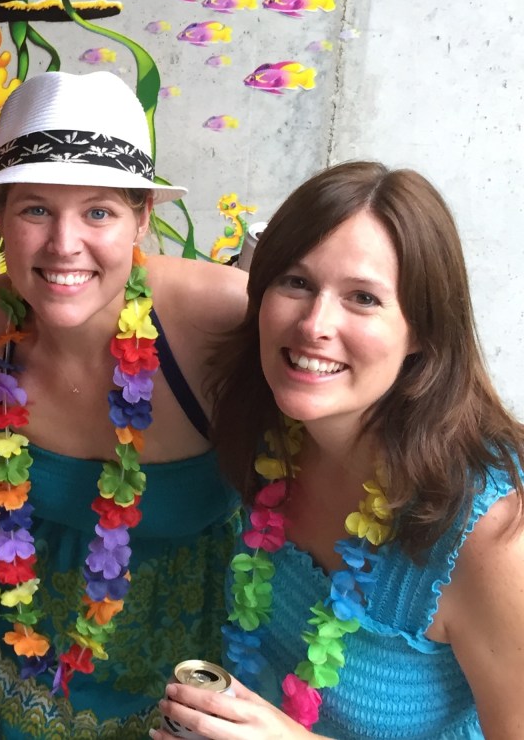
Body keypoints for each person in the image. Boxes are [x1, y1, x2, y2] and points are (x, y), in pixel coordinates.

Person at [154, 161, 524, 739]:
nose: (314, 324)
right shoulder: (271, 433)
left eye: (363, 298)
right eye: (297, 283)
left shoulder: (491, 533)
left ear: (423, 331)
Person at [0, 70, 248, 738]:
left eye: (99, 212)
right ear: (0, 219)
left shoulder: (222, 324)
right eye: (35, 210)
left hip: (204, 682)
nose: (64, 244)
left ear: (142, 216)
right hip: (41, 678)